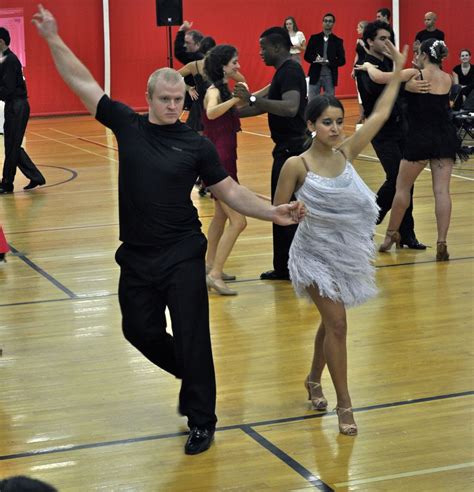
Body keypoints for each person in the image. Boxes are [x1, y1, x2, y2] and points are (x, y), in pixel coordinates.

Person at [32, 5, 306, 456]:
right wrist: (53, 39)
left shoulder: (196, 144)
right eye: (165, 99)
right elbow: (83, 82)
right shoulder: (129, 125)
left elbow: (230, 190)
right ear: (149, 98)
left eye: (179, 100)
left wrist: (273, 212)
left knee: (194, 332)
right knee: (138, 329)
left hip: (181, 250)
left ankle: (202, 418)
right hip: (137, 254)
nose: (173, 106)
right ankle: (191, 372)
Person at [274, 40, 407, 436]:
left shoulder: (348, 153)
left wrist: (398, 68)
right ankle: (345, 406)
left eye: (339, 120)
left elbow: (381, 113)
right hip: (312, 254)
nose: (336, 128)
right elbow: (277, 214)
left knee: (331, 324)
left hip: (345, 254)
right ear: (311, 125)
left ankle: (314, 378)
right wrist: (292, 213)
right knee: (339, 324)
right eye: (328, 122)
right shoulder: (296, 165)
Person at [362, 39, 466, 261]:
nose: (415, 56)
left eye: (418, 53)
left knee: (402, 188)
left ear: (425, 56)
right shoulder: (448, 78)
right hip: (444, 139)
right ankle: (442, 241)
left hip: (420, 139)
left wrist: (368, 66)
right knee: (442, 192)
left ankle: (390, 235)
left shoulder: (414, 74)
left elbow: (379, 79)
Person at [233, 27, 308, 281]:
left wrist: (252, 101)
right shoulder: (284, 71)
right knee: (285, 207)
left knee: (282, 208)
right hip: (288, 148)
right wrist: (232, 116)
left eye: (263, 48)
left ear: (277, 47)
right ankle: (285, 266)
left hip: (292, 151)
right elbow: (266, 108)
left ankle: (286, 268)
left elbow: (289, 108)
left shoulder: (290, 71)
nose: (260, 53)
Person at [357, 21, 426, 250]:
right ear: (370, 41)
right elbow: (376, 91)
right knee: (396, 178)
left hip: (401, 126)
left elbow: (398, 89)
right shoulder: (363, 65)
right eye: (382, 38)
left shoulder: (387, 62)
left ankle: (406, 234)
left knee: (407, 181)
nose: (387, 42)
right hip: (381, 131)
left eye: (389, 38)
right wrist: (405, 84)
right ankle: (366, 224)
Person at [201, 45, 247, 296]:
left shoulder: (224, 88)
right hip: (219, 163)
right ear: (222, 66)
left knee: (220, 218)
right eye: (234, 62)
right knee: (238, 221)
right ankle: (216, 275)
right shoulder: (213, 91)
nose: (238, 66)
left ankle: (210, 266)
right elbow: (211, 111)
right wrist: (233, 101)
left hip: (225, 160)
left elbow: (242, 100)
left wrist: (244, 87)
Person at [0, 27, 46, 194]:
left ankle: (7, 183)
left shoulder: (10, 60)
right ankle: (35, 176)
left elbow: (8, 89)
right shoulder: (5, 60)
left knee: (12, 146)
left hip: (17, 106)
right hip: (13, 106)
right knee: (12, 145)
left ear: (1, 41)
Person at [304, 13, 345, 99]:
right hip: (315, 74)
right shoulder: (314, 38)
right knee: (312, 102)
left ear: (333, 24)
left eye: (330, 21)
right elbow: (307, 55)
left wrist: (329, 62)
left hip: (330, 76)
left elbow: (342, 60)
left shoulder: (338, 41)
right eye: (325, 21)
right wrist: (316, 58)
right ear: (322, 23)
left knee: (330, 103)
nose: (327, 23)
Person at [351, 20, 369, 124]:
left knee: (366, 91)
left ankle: (367, 114)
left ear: (363, 29)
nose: (357, 29)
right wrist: (353, 68)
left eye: (359, 27)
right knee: (359, 92)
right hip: (358, 67)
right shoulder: (358, 40)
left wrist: (363, 45)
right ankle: (361, 115)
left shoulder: (370, 40)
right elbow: (357, 55)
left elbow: (370, 53)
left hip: (366, 67)